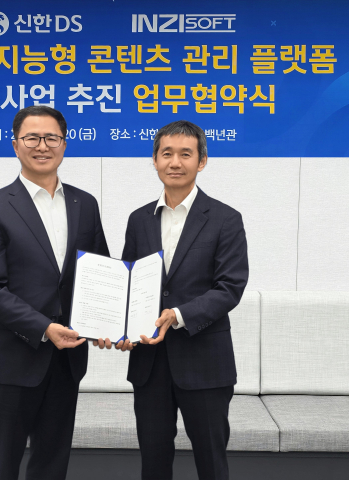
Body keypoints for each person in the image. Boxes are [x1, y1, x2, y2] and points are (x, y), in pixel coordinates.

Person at [96, 120, 248, 479]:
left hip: (205, 361)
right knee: (153, 462)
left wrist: (177, 315)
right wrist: (118, 327)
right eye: (167, 154)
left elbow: (230, 287)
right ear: (154, 160)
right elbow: (129, 282)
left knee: (212, 464)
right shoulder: (139, 220)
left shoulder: (225, 219)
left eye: (185, 154)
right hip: (150, 364)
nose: (175, 162)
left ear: (202, 161)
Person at [0, 105, 109, 480]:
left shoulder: (85, 204)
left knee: (52, 463)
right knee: (2, 465)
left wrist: (109, 322)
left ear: (64, 144)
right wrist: (44, 328)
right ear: (15, 144)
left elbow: (99, 273)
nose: (42, 146)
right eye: (32, 137)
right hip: (11, 359)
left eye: (51, 138)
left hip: (66, 359)